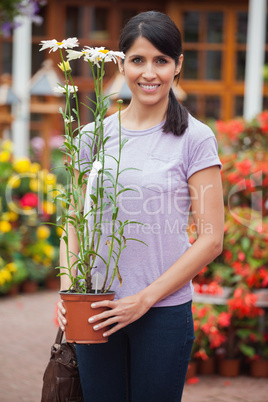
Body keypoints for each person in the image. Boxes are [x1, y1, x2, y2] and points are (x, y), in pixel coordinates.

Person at [57, 10, 224, 402]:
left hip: (162, 314)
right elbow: (74, 220)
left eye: (161, 60)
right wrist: (69, 294)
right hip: (96, 309)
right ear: (121, 63)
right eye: (137, 59)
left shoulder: (195, 139)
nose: (149, 73)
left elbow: (212, 238)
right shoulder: (91, 136)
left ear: (177, 65)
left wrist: (144, 299)